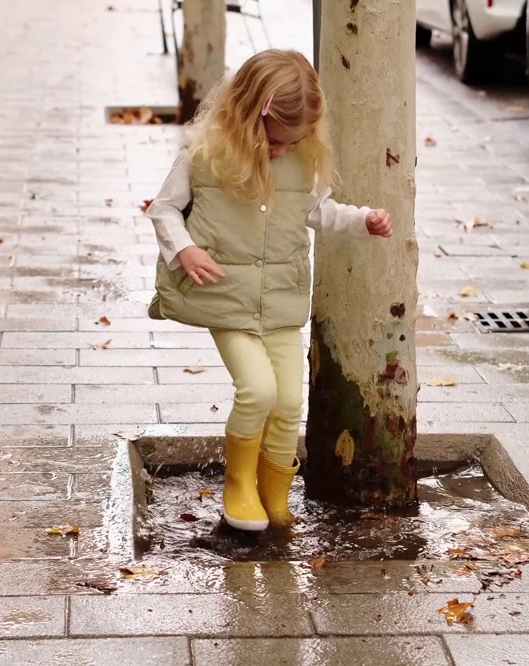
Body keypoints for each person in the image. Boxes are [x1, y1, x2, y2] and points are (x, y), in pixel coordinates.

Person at [146, 49, 393, 531]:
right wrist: (185, 250)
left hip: (280, 302)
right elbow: (163, 209)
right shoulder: (204, 155)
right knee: (257, 390)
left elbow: (321, 212)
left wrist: (364, 221)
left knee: (288, 404)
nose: (281, 151)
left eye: (292, 142)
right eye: (274, 141)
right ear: (245, 115)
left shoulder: (302, 162)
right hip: (229, 302)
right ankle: (238, 485)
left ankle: (273, 493)